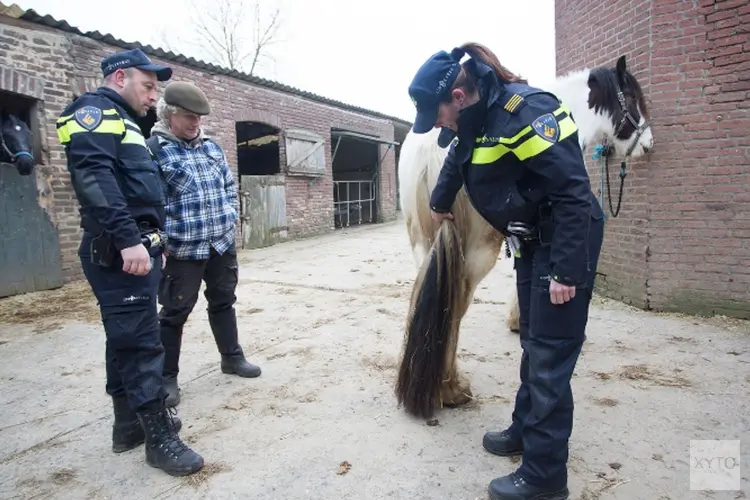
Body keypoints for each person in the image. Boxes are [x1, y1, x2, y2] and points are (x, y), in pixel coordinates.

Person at [407, 42, 605, 500]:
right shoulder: (476, 119)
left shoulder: (528, 111)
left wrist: (566, 273)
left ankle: (544, 477)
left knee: (551, 358)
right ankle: (523, 429)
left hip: (562, 243)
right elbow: (458, 155)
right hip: (532, 239)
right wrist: (439, 201)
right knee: (534, 345)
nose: (435, 124)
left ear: (458, 96)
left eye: (435, 114)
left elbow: (575, 192)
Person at [56, 48, 204, 477]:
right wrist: (128, 241)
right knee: (141, 343)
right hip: (122, 250)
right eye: (147, 86)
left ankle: (127, 425)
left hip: (134, 247)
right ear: (119, 78)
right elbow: (94, 178)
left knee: (123, 336)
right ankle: (159, 439)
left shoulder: (124, 120)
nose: (153, 96)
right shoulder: (93, 111)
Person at [147, 81, 261, 408]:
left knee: (224, 300)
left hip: (220, 244)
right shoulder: (154, 150)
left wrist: (230, 218)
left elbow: (228, 186)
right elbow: (153, 202)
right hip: (183, 250)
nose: (195, 123)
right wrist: (164, 241)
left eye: (198, 117)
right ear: (169, 115)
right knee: (174, 312)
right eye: (187, 116)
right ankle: (167, 378)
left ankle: (232, 357)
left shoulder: (212, 147)